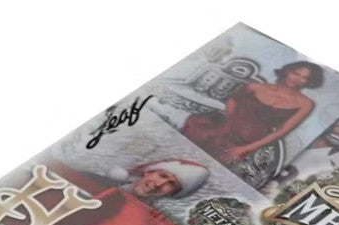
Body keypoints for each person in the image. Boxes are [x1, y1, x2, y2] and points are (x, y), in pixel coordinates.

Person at [182, 61, 324, 166]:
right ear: (288, 71)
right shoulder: (254, 86)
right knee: (188, 149)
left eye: (304, 78)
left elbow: (282, 131)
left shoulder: (306, 103)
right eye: (296, 73)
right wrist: (231, 120)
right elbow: (233, 100)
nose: (297, 79)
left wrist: (246, 149)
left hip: (247, 143)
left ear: (310, 82)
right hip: (222, 129)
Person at [108, 159, 209, 201]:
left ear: (172, 193)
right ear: (148, 173)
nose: (159, 184)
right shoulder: (104, 185)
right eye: (163, 176)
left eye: (171, 184)